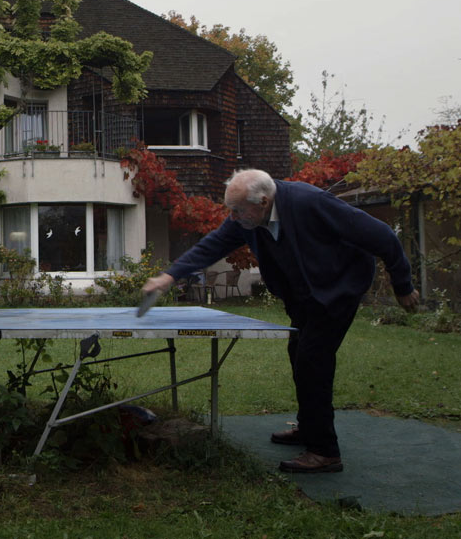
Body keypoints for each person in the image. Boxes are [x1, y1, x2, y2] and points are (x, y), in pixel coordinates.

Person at [143, 169, 420, 473]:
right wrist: (170, 276)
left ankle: (324, 452)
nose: (232, 217)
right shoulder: (247, 218)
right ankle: (308, 428)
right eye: (229, 210)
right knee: (297, 353)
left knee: (313, 360)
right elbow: (213, 244)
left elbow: (382, 235)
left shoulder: (310, 202)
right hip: (302, 293)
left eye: (237, 210)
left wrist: (403, 285)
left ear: (263, 202)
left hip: (338, 287)